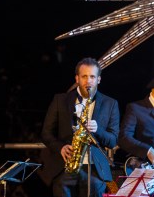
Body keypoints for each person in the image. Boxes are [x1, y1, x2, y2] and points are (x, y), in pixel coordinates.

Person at [40, 57, 120, 197]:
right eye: (84, 76)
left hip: (95, 169)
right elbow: (46, 134)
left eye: (92, 77)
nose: (88, 81)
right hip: (65, 166)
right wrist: (60, 148)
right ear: (77, 78)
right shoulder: (60, 100)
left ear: (98, 79)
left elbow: (112, 140)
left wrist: (98, 130)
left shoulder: (111, 103)